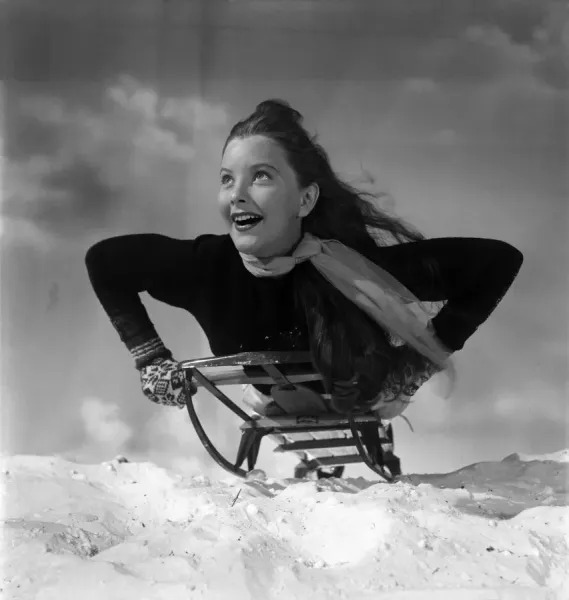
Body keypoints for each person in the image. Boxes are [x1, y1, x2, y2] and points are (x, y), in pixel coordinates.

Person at [85, 99, 523, 422]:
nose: (237, 194)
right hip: (273, 398)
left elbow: (499, 262)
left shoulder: (355, 267)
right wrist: (151, 360)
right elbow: (105, 261)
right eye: (227, 179)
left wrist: (415, 366)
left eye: (261, 176)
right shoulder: (207, 265)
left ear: (306, 198)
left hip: (365, 397)